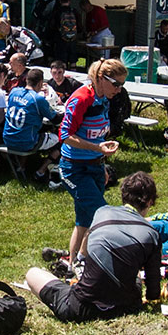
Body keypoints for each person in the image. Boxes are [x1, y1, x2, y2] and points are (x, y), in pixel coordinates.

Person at [24, 171, 162, 323]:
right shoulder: (152, 234)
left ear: (123, 195)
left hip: (80, 308)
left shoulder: (102, 212)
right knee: (132, 271)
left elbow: (88, 246)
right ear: (150, 202)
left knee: (33, 273)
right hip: (127, 306)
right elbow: (153, 288)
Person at [54, 58, 126, 264]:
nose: (119, 90)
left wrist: (101, 161)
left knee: (84, 221)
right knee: (102, 216)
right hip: (74, 169)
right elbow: (65, 135)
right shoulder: (81, 98)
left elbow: (96, 133)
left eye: (122, 85)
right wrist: (97, 148)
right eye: (117, 84)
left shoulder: (104, 97)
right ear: (102, 79)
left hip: (95, 166)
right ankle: (83, 262)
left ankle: (73, 264)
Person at [1, 67, 61, 180]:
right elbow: (56, 120)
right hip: (26, 142)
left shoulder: (14, 91)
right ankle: (41, 171)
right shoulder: (38, 99)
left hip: (8, 138)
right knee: (62, 139)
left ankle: (22, 167)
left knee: (30, 128)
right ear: (40, 83)